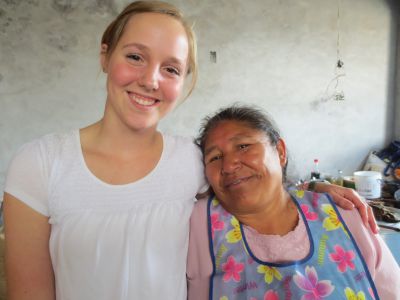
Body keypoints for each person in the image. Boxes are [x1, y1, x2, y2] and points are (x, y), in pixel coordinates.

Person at [3, 2, 376, 300]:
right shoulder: (40, 164)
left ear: (183, 81)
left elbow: (252, 184)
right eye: (135, 56)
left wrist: (314, 191)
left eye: (171, 69)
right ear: (105, 56)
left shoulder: (190, 162)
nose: (150, 80)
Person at [187, 105, 400, 300]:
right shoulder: (196, 226)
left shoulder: (345, 214)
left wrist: (313, 187)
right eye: (214, 158)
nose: (229, 165)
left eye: (243, 146)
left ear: (280, 152)